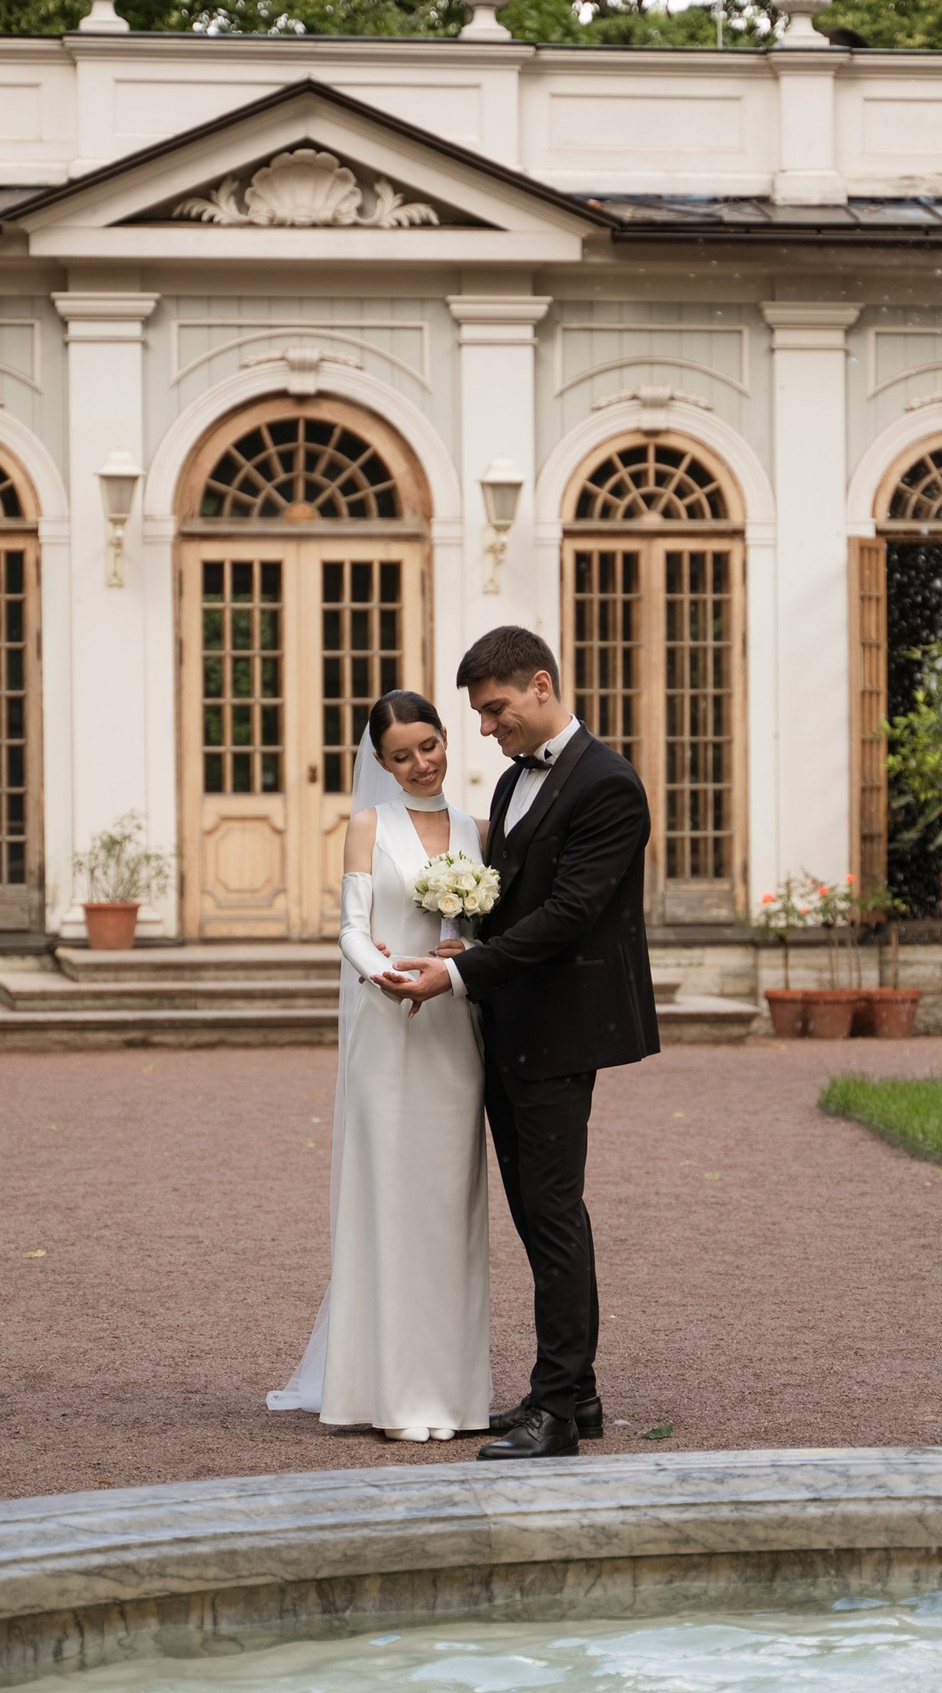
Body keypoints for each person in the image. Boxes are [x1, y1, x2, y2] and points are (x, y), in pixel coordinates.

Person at [375, 626, 659, 1461]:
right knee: (538, 1213)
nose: (487, 727)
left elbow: (570, 913)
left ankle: (556, 1413)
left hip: (563, 1027)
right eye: (479, 714)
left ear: (540, 684)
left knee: (554, 1214)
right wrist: (461, 940)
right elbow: (512, 900)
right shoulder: (509, 784)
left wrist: (460, 975)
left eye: (496, 709)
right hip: (506, 1023)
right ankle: (578, 1390)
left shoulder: (609, 784)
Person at [267, 689, 493, 1442]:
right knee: (388, 1200)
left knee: (448, 1206)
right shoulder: (368, 826)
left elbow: (489, 930)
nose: (421, 764)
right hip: (387, 1025)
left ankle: (452, 1395)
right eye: (402, 755)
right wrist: (383, 972)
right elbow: (352, 929)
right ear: (382, 763)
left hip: (452, 1028)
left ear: (445, 737)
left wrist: (465, 954)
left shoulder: (478, 830)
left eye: (429, 745)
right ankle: (389, 1392)